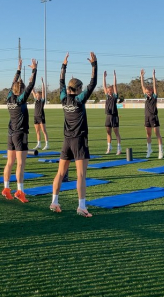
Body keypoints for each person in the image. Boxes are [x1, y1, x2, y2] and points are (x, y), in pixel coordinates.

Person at [50, 52, 97, 217]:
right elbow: (93, 83)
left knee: (60, 173)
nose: (82, 90)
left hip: (66, 141)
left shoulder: (63, 99)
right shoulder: (79, 100)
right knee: (81, 175)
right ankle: (81, 207)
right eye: (81, 89)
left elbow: (61, 82)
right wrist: (94, 65)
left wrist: (63, 65)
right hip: (79, 141)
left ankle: (54, 201)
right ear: (77, 90)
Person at [1, 58, 38, 203]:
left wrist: (18, 69)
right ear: (21, 90)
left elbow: (13, 84)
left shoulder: (9, 98)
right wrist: (34, 70)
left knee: (9, 162)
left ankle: (6, 188)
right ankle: (20, 191)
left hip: (10, 133)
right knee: (21, 164)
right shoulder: (20, 100)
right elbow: (31, 85)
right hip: (20, 133)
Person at [141, 69, 163, 159]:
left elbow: (155, 86)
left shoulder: (154, 96)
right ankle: (149, 150)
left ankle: (160, 151)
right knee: (148, 135)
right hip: (147, 117)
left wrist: (153, 76)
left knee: (157, 134)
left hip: (154, 117)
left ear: (151, 91)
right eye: (146, 92)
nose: (147, 93)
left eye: (148, 91)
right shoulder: (146, 97)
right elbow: (142, 86)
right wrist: (142, 76)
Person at [103, 70, 122, 155]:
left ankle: (119, 148)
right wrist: (104, 77)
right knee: (108, 132)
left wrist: (114, 76)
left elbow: (115, 86)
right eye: (108, 90)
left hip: (114, 116)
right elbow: (104, 86)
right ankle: (109, 147)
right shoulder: (107, 96)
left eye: (110, 90)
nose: (109, 91)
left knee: (116, 132)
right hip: (108, 116)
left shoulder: (114, 96)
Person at [32, 77, 49, 151]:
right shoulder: (35, 100)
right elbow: (32, 90)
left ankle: (47, 144)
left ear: (40, 95)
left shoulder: (42, 101)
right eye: (36, 95)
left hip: (41, 117)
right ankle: (38, 144)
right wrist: (31, 82)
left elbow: (43, 91)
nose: (36, 95)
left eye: (38, 95)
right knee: (37, 131)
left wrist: (42, 83)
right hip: (35, 117)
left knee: (44, 131)